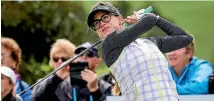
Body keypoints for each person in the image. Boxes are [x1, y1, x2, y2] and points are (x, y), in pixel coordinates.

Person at [87, 2, 193, 101]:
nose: (101, 24)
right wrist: (148, 18)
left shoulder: (150, 43)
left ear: (120, 19)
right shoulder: (108, 46)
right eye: (96, 23)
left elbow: (185, 38)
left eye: (105, 17)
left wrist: (158, 19)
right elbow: (149, 21)